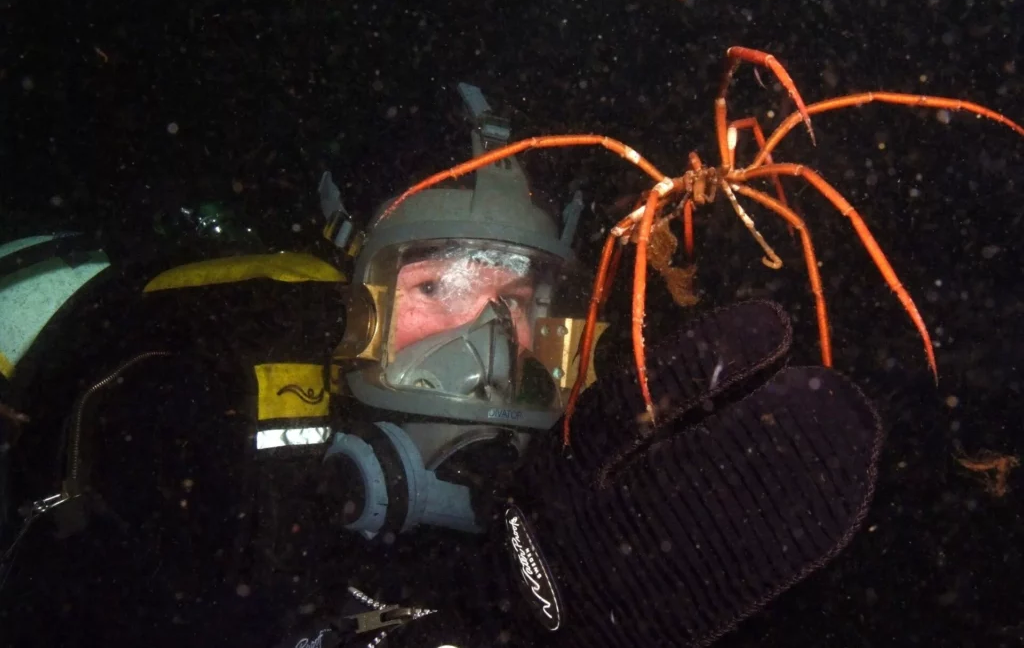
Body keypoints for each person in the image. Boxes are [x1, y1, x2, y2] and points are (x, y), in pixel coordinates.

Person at [0, 83, 883, 648]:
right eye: (439, 283)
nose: (487, 346)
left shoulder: (604, 471)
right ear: (354, 300)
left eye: (522, 298)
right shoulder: (196, 426)